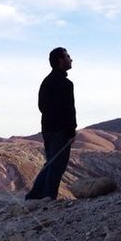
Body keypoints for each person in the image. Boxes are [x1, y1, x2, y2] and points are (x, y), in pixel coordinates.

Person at [26, 47, 76, 200]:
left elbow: (42, 106)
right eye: (68, 56)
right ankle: (48, 197)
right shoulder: (65, 83)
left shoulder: (46, 82)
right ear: (60, 60)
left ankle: (34, 196)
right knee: (57, 165)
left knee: (51, 163)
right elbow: (69, 109)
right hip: (60, 130)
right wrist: (71, 130)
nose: (71, 59)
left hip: (47, 129)